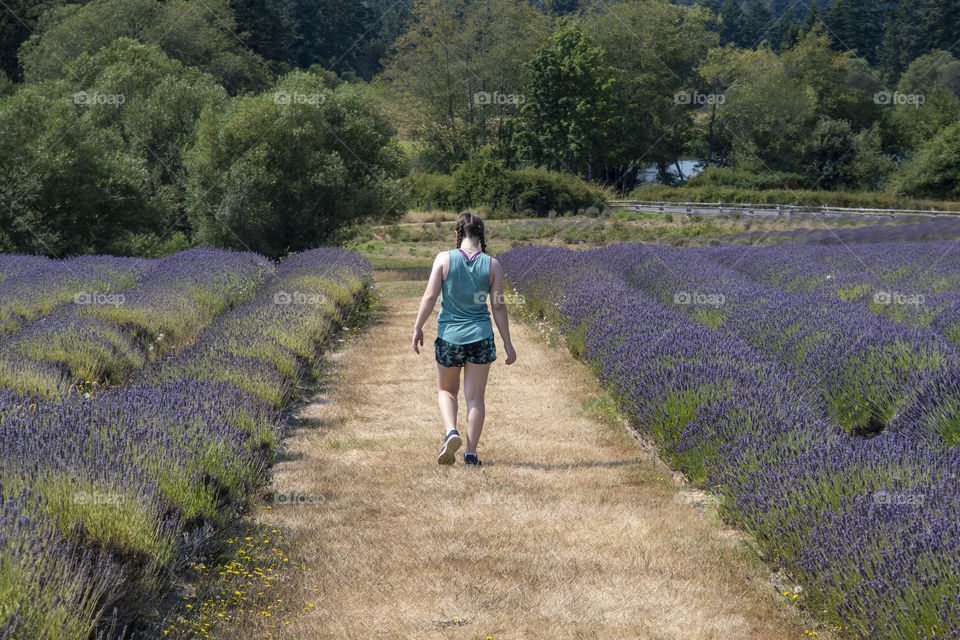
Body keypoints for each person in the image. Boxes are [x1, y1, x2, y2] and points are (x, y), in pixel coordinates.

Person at [411, 212, 517, 466]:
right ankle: (471, 454)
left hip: (449, 337)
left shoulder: (444, 259)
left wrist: (418, 327)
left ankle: (451, 432)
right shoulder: (492, 265)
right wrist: (507, 342)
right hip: (481, 337)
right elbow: (499, 307)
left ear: (457, 234)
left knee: (447, 390)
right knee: (475, 397)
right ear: (481, 235)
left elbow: (429, 296)